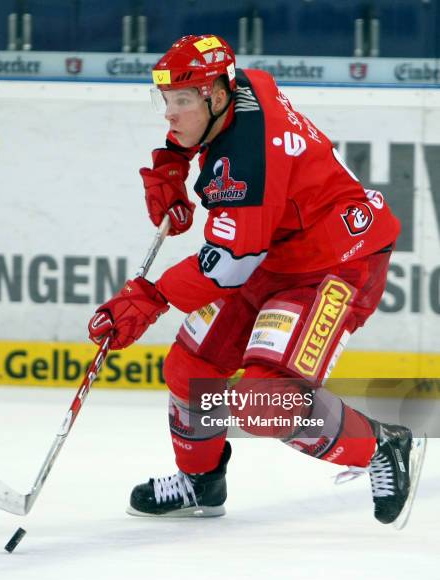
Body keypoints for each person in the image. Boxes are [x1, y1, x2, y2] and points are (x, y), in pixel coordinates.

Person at [88, 34, 424, 525]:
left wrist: (152, 297)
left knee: (263, 403)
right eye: (168, 100)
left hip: (334, 260)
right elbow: (240, 241)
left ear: (216, 96)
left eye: (182, 101)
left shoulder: (249, 163)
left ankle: (381, 444)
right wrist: (172, 163)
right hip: (272, 250)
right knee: (192, 366)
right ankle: (201, 482)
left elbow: (228, 263)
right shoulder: (242, 84)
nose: (170, 113)